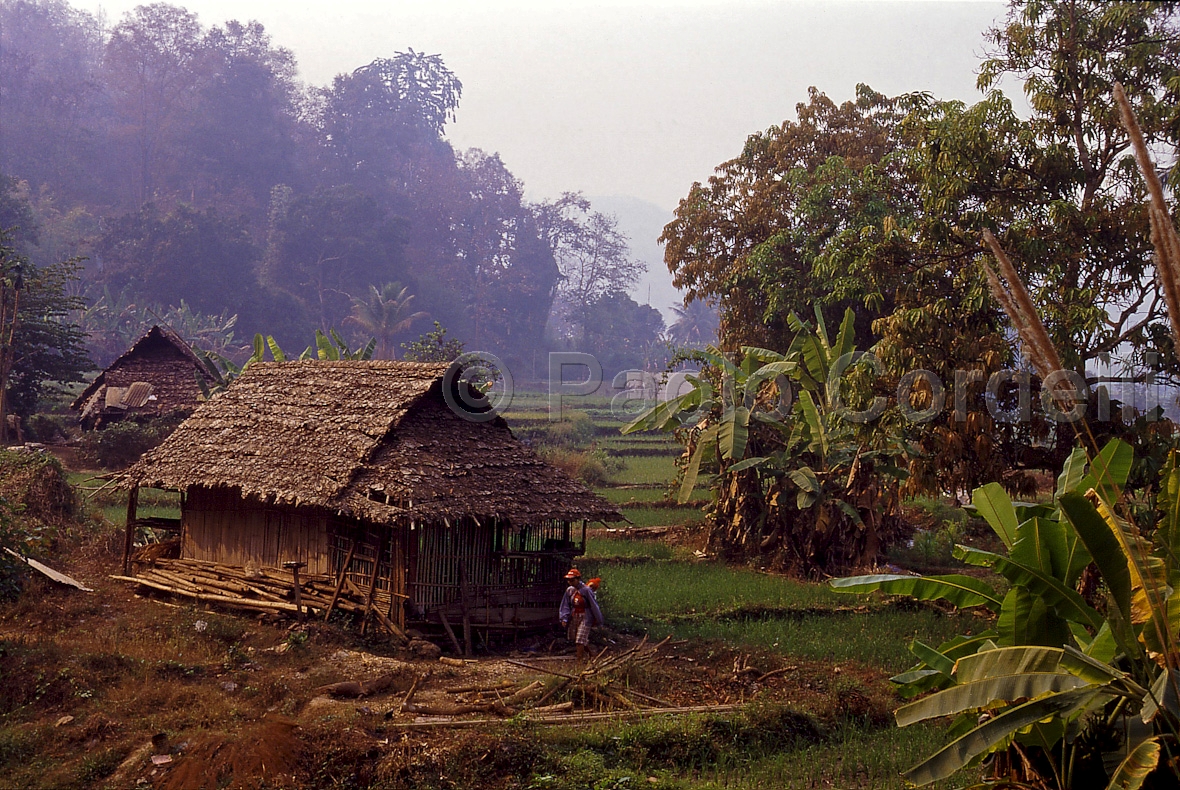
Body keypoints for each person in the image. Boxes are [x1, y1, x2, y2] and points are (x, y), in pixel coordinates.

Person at [558, 568, 602, 661]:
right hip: (575, 615)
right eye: (569, 580)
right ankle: (591, 655)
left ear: (578, 579)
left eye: (572, 580)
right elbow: (565, 604)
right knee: (577, 638)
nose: (570, 582)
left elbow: (593, 605)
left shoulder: (586, 590)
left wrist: (598, 619)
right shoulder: (570, 590)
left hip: (586, 616)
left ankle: (579, 662)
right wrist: (564, 618)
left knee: (579, 640)